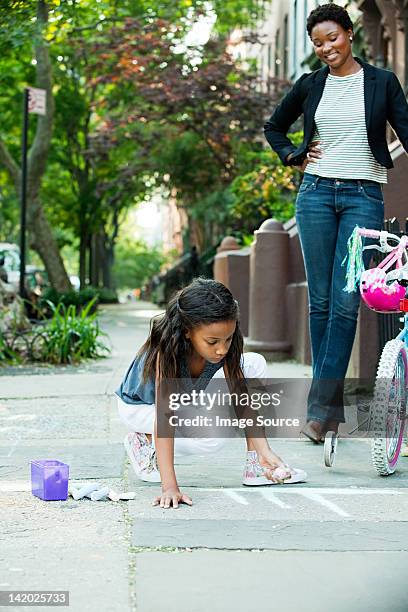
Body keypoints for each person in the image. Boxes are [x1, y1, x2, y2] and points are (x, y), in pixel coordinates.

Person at [263, 3, 408, 443]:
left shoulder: (382, 82)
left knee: (346, 302)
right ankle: (326, 411)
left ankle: (320, 408)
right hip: (316, 195)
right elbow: (275, 127)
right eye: (317, 42)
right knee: (321, 303)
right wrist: (293, 154)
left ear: (349, 34)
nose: (326, 48)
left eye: (332, 38)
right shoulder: (310, 85)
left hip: (363, 195)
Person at [116, 277, 307, 509]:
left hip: (188, 395)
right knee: (212, 436)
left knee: (254, 363)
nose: (222, 349)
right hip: (141, 407)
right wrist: (169, 487)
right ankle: (143, 441)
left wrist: (264, 450)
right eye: (212, 341)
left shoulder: (225, 342)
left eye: (227, 339)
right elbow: (165, 417)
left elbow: (243, 399)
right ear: (187, 332)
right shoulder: (167, 352)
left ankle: (256, 466)